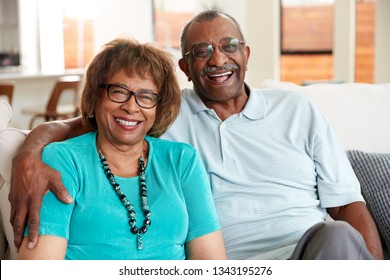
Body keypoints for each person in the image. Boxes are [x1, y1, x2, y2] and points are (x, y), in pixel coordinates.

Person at [10, 10, 383, 260]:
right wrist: (29, 154)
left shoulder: (297, 109)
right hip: (232, 263)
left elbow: (348, 204)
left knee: (339, 237)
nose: (218, 59)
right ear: (186, 67)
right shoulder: (163, 113)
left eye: (229, 46)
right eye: (202, 51)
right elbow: (83, 125)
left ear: (247, 54)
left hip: (307, 252)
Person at [16, 38, 226, 260]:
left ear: (158, 107)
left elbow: (212, 262)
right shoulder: (63, 159)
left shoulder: (183, 160)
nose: (131, 107)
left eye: (146, 96)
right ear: (95, 96)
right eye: (118, 92)